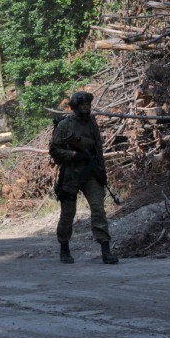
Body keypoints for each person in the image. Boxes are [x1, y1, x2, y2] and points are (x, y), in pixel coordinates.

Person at [49, 91, 119, 265]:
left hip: (90, 171)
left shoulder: (92, 123)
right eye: (82, 105)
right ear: (75, 107)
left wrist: (102, 172)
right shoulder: (65, 125)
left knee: (98, 208)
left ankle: (105, 249)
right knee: (68, 213)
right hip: (71, 173)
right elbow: (54, 150)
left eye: (88, 105)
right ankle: (64, 247)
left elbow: (98, 149)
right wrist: (73, 154)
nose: (85, 108)